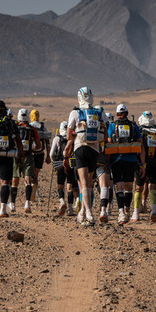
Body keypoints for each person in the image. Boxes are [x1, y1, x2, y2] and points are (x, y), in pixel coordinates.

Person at [65, 87, 105, 226]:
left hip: (80, 148)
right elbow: (105, 134)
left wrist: (74, 138)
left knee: (83, 183)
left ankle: (89, 213)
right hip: (94, 151)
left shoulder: (75, 113)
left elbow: (69, 135)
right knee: (88, 181)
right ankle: (82, 212)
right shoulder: (99, 113)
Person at [106, 104, 145, 224]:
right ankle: (127, 210)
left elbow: (109, 143)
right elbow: (141, 145)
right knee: (128, 186)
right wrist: (142, 164)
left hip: (116, 159)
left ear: (117, 114)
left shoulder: (113, 125)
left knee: (119, 186)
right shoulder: (134, 126)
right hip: (131, 159)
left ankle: (121, 212)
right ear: (127, 113)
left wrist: (107, 163)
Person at [135, 111, 156, 222]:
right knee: (152, 186)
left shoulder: (139, 131)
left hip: (142, 164)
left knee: (139, 187)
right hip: (155, 163)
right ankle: (154, 210)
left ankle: (136, 212)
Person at [14, 108, 42, 213]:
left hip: (16, 156)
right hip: (29, 156)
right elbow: (39, 146)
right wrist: (33, 147)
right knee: (28, 180)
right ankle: (27, 204)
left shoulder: (15, 128)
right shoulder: (32, 129)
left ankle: (12, 204)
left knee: (14, 180)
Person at [29, 109, 51, 203]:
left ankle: (29, 194)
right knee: (36, 175)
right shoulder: (42, 127)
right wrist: (48, 156)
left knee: (29, 174)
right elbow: (47, 143)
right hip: (40, 154)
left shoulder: (29, 126)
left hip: (30, 154)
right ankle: (34, 192)